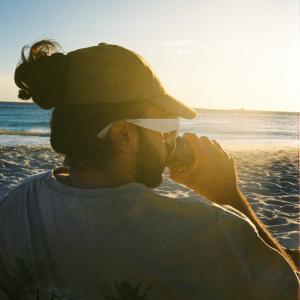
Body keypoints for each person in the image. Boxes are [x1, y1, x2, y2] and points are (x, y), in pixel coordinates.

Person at [0, 40, 298, 300]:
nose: (171, 139)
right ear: (123, 134)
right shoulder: (209, 230)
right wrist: (228, 196)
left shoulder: (17, 207)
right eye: (166, 128)